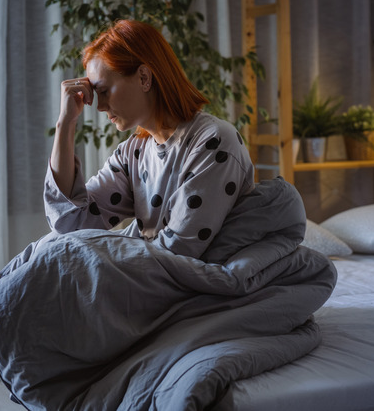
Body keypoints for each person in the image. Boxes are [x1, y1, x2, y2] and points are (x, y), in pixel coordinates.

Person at [45, 19, 255, 259]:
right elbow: (70, 222)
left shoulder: (214, 142)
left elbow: (178, 252)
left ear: (144, 77)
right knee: (47, 250)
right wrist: (66, 123)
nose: (99, 106)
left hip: (184, 275)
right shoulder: (132, 153)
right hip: (153, 269)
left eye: (103, 91)